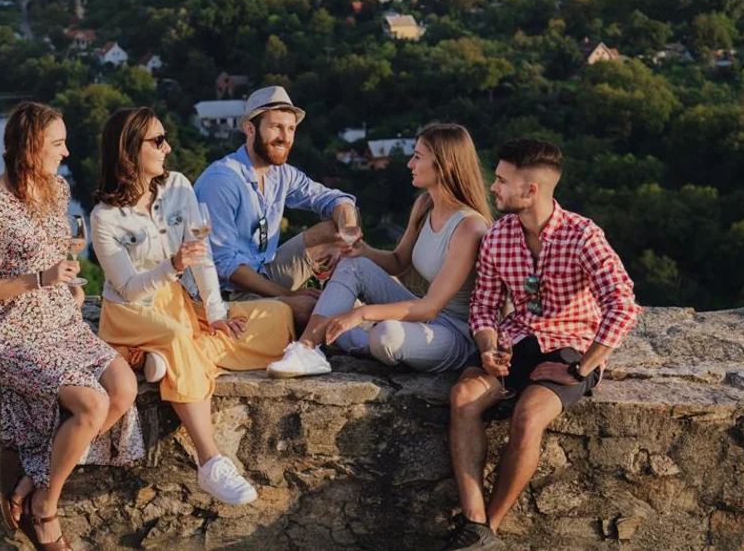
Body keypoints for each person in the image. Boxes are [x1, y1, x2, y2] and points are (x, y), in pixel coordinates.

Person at [0, 102, 143, 551]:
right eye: (58, 143)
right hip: (14, 334)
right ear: (31, 146)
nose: (66, 152)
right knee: (93, 404)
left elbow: (53, 256)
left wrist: (67, 285)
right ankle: (45, 505)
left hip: (64, 323)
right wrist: (37, 281)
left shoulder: (56, 190)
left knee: (125, 389)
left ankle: (27, 479)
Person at [441, 138, 642, 551]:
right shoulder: (498, 237)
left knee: (529, 418)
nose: (492, 187)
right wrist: (487, 347)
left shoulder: (583, 235)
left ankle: (487, 530)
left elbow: (622, 304)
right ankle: (474, 525)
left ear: (530, 190)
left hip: (571, 346)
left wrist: (582, 368)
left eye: (501, 180)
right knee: (463, 395)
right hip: (517, 341)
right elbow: (483, 305)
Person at [91, 107, 296, 506]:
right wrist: (173, 265)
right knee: (177, 335)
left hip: (180, 304)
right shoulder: (105, 217)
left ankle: (160, 360)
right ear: (130, 150)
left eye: (165, 138)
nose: (167, 147)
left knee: (278, 315)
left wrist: (217, 314)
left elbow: (201, 256)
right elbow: (130, 289)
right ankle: (210, 460)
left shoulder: (180, 187)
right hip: (131, 312)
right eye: (157, 141)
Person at [193, 86, 359, 379]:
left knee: (333, 229)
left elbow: (333, 198)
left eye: (291, 128)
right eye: (275, 127)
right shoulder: (223, 180)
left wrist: (346, 235)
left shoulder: (281, 173)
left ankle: (348, 297)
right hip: (229, 291)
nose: (285, 137)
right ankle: (338, 331)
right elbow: (227, 266)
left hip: (265, 268)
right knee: (308, 308)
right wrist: (288, 295)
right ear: (250, 128)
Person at [318, 124, 492, 373]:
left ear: (445, 165)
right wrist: (363, 250)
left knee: (386, 336)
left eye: (418, 157)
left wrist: (363, 314)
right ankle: (308, 346)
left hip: (456, 333)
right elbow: (399, 261)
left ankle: (351, 339)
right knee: (353, 265)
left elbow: (431, 306)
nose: (410, 164)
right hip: (425, 313)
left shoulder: (469, 227)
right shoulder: (424, 205)